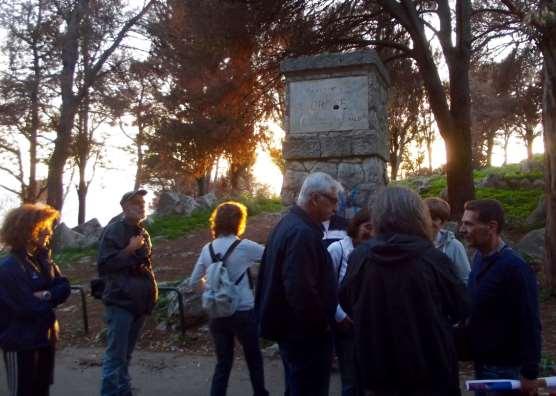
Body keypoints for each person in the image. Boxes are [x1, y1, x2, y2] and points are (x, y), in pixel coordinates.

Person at [339, 187, 468, 396]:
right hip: (430, 368)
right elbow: (461, 306)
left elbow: (346, 301)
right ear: (418, 216)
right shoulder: (434, 259)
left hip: (377, 369)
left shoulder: (360, 257)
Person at [256, 171, 342, 396]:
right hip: (305, 337)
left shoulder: (289, 224)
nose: (336, 207)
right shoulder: (302, 233)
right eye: (333, 200)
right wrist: (322, 325)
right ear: (315, 199)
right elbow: (300, 289)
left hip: (293, 333)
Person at [460, 199, 541, 396]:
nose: (462, 229)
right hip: (483, 364)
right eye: (462, 223)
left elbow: (530, 321)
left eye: (469, 224)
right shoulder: (478, 258)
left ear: (492, 227)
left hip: (506, 370)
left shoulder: (514, 268)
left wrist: (530, 373)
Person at [189, 201, 269, 396]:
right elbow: (271, 256)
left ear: (216, 222)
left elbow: (193, 281)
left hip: (217, 313)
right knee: (253, 359)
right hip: (243, 311)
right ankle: (260, 393)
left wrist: (209, 293)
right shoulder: (245, 247)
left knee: (223, 363)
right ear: (239, 222)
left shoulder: (207, 249)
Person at [0, 203, 71, 396]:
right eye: (44, 226)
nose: (49, 232)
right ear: (27, 230)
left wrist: (46, 294)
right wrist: (50, 295)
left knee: (41, 391)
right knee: (23, 392)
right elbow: (28, 307)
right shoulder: (8, 267)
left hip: (45, 340)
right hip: (20, 344)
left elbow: (64, 287)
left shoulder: (42, 260)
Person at [98, 189, 158, 396]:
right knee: (115, 356)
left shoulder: (143, 232)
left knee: (126, 356)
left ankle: (124, 393)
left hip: (139, 304)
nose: (141, 206)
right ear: (124, 207)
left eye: (143, 203)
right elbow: (105, 265)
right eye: (135, 203)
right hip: (120, 302)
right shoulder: (113, 231)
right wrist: (129, 250)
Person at [327, 208, 373, 396]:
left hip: (368, 325)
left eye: (376, 229)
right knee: (350, 380)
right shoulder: (337, 249)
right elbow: (325, 287)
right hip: (345, 323)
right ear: (356, 226)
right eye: (367, 227)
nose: (371, 233)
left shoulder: (374, 251)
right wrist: (339, 315)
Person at [424, 197, 471, 284]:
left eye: (434, 219)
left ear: (443, 223)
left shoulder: (454, 246)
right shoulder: (414, 244)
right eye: (426, 217)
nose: (429, 222)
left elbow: (465, 278)